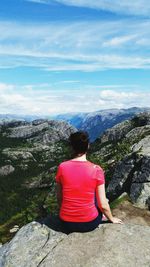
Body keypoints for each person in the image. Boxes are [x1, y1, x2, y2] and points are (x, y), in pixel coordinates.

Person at [55, 131, 123, 234]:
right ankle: (102, 216)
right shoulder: (96, 169)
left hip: (65, 223)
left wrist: (66, 212)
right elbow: (103, 204)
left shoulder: (62, 167)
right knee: (96, 196)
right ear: (88, 146)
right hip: (89, 223)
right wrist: (111, 218)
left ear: (72, 147)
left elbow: (60, 197)